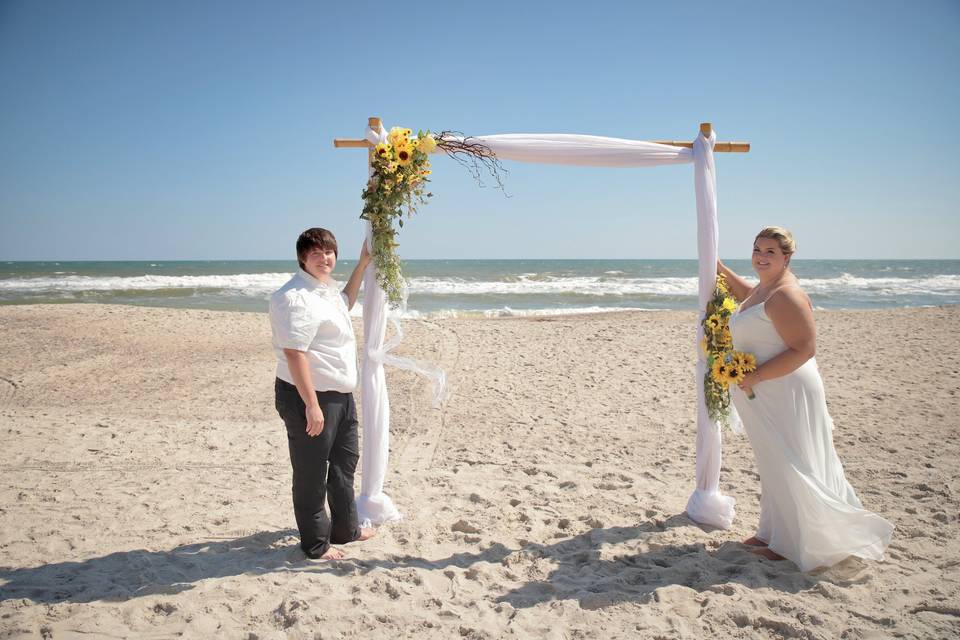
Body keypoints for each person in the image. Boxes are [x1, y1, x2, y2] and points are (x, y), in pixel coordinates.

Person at [718, 226, 893, 571]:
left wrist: (755, 376)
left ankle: (791, 542)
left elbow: (805, 349)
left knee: (791, 460)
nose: (761, 257)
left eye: (771, 252)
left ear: (787, 257)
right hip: (764, 390)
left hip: (785, 387)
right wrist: (719, 267)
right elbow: (747, 296)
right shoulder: (765, 289)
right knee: (773, 461)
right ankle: (772, 531)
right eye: (757, 250)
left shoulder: (787, 295)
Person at [270, 227, 375, 560]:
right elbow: (294, 353)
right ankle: (316, 544)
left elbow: (346, 301)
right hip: (309, 396)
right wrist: (311, 406)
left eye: (329, 252)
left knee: (345, 464)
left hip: (340, 394)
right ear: (303, 258)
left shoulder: (325, 290)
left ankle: (346, 529)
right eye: (316, 253)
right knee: (311, 471)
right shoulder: (293, 297)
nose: (324, 258)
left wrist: (362, 264)